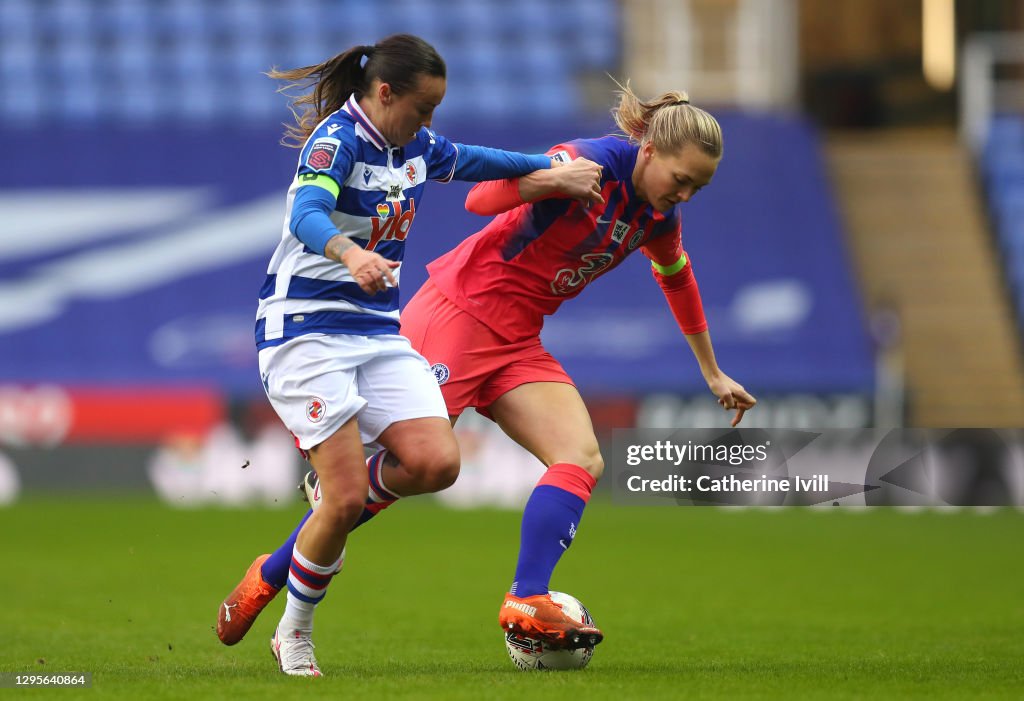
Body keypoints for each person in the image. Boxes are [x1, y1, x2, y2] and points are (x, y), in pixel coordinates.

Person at [219, 81, 756, 658]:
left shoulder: (654, 214)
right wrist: (552, 178)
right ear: (649, 151)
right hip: (458, 314)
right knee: (402, 474)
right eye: (682, 180)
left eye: (698, 188)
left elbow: (676, 274)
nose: (686, 195)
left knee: (581, 456)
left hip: (518, 339)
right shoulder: (590, 161)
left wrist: (713, 371)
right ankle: (271, 575)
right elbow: (481, 201)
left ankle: (527, 595)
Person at [222, 33, 605, 677]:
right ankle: (294, 631)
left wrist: (550, 169)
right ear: (384, 93)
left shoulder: (416, 146)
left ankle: (330, 503)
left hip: (375, 333)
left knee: (435, 462)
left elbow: (479, 160)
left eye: (435, 113)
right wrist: (352, 254)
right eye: (422, 109)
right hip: (305, 331)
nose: (429, 124)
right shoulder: (335, 143)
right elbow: (308, 213)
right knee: (343, 504)